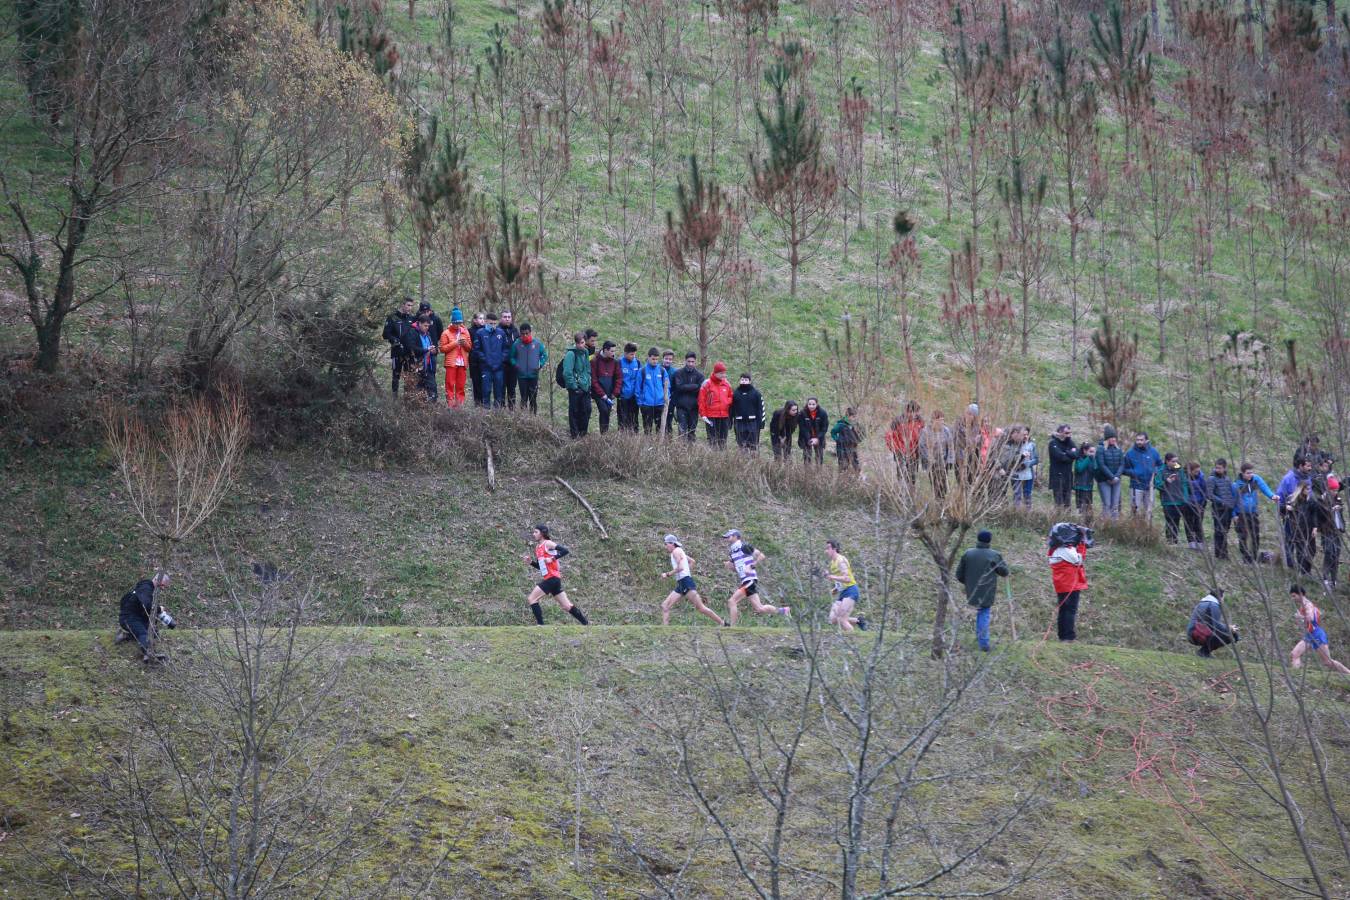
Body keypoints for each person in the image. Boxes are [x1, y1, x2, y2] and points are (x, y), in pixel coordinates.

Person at [954, 529, 1009, 652]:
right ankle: (983, 644)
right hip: (987, 591)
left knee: (978, 613)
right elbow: (1004, 572)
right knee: (983, 614)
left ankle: (965, 639)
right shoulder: (994, 554)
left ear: (977, 539)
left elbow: (958, 575)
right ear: (990, 540)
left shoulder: (968, 553)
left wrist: (969, 584)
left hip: (971, 591)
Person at [522, 525, 589, 625]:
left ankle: (540, 625)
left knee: (532, 598)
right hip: (552, 579)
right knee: (567, 606)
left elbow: (565, 550)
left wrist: (552, 558)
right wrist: (531, 562)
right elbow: (541, 567)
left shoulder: (547, 543)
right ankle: (586, 624)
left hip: (552, 578)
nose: (533, 534)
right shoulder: (537, 548)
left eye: (536, 532)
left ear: (542, 533)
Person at [722, 529, 790, 625]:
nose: (726, 538)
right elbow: (737, 569)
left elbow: (761, 556)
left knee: (732, 601)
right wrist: (730, 566)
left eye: (729, 536)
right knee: (759, 608)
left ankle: (732, 627)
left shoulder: (744, 546)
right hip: (745, 580)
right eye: (726, 537)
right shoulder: (732, 552)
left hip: (750, 580)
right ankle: (784, 610)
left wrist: (752, 566)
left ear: (736, 536)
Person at [660, 534, 725, 626]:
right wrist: (686, 573)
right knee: (665, 605)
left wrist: (667, 574)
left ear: (672, 544)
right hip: (682, 582)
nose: (665, 546)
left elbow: (681, 567)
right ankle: (665, 630)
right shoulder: (680, 551)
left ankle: (723, 623)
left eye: (666, 544)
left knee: (701, 608)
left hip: (686, 583)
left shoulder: (675, 552)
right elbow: (692, 561)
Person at [1290, 584, 1350, 675]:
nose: (1293, 598)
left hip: (1317, 634)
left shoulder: (1308, 605)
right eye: (1292, 596)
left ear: (1301, 594)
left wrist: (1300, 616)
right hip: (1309, 635)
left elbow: (1310, 617)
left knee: (1328, 662)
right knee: (1295, 654)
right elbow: (1306, 622)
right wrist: (1300, 620)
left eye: (1294, 596)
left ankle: (1348, 673)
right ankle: (1295, 676)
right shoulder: (1302, 606)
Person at [116, 573, 173, 663]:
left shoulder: (146, 588)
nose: (162, 588)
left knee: (154, 633)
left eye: (164, 587)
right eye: (162, 585)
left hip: (135, 617)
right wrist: (159, 609)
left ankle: (124, 636)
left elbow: (143, 607)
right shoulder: (146, 589)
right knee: (143, 634)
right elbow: (147, 606)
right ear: (157, 580)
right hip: (129, 618)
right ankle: (149, 653)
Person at [1048, 521, 1089, 642]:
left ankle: (1062, 636)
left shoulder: (1054, 550)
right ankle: (1068, 637)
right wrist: (1082, 543)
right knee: (1070, 611)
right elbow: (1079, 560)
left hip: (1061, 584)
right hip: (1070, 584)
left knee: (1063, 610)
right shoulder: (1066, 551)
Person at [1307, 457, 1344, 590]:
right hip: (1327, 531)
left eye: (1336, 490)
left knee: (1336, 554)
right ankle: (1325, 578)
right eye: (1333, 490)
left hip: (1337, 531)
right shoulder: (1321, 501)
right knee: (1329, 553)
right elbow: (1320, 514)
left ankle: (1334, 579)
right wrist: (1331, 510)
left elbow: (1340, 514)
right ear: (1328, 490)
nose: (1335, 492)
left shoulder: (1338, 499)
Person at [1233, 462, 1278, 564]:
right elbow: (1232, 501)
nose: (1250, 475)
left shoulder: (1256, 479)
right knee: (1243, 536)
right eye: (1248, 473)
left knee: (1255, 535)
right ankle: (1245, 558)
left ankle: (1253, 556)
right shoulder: (1236, 485)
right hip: (1241, 514)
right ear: (1242, 473)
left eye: (1252, 472)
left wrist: (1272, 496)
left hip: (1253, 513)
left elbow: (1264, 487)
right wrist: (1234, 515)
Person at [1278, 456, 1316, 574]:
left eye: (1311, 465)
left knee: (1303, 543)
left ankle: (1302, 567)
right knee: (1290, 540)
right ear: (1300, 466)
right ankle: (1289, 565)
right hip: (1291, 516)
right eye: (1308, 466)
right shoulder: (1288, 479)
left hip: (1305, 518)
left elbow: (1309, 497)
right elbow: (1280, 496)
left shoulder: (1308, 479)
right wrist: (1284, 510)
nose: (1310, 468)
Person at [824, 540, 866, 632]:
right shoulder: (832, 563)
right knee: (832, 619)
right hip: (843, 592)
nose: (826, 551)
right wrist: (835, 589)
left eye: (828, 548)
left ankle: (853, 641)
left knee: (841, 619)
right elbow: (839, 580)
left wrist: (831, 576)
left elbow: (847, 579)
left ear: (834, 549)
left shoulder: (841, 560)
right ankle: (858, 621)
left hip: (851, 590)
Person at [437, 307, 473, 407]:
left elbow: (469, 348)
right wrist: (455, 343)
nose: (458, 325)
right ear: (452, 322)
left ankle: (459, 407)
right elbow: (442, 349)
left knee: (461, 385)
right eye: (456, 323)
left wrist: (465, 343)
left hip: (463, 362)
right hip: (451, 363)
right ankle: (450, 406)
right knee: (449, 384)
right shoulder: (446, 333)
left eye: (460, 323)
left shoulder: (465, 332)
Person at [508, 322, 547, 414]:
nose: (525, 335)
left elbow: (544, 355)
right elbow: (511, 357)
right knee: (523, 398)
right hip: (522, 376)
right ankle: (524, 418)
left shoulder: (537, 344)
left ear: (530, 332)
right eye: (522, 334)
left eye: (527, 333)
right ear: (520, 334)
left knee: (533, 398)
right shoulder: (516, 344)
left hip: (533, 375)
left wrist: (540, 364)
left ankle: (533, 418)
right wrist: (515, 364)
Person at [1187, 590, 1239, 658]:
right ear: (1220, 597)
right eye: (1223, 597)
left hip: (1191, 633)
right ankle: (1203, 652)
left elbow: (1210, 624)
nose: (1223, 600)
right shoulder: (1214, 605)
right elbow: (1216, 626)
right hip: (1197, 634)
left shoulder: (1203, 603)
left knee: (1227, 632)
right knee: (1231, 635)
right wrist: (1230, 629)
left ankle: (1203, 652)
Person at [381, 296, 416, 395]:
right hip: (396, 352)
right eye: (408, 305)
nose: (410, 308)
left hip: (409, 353)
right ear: (402, 305)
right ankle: (394, 398)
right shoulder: (392, 317)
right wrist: (394, 340)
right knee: (396, 375)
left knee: (408, 376)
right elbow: (385, 334)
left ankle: (407, 398)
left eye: (411, 306)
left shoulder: (411, 318)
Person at [1154, 453, 1191, 545]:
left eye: (1176, 461)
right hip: (1168, 501)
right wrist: (1166, 482)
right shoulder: (1161, 471)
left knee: (1177, 521)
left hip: (1179, 501)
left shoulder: (1180, 470)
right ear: (1167, 461)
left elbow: (1185, 483)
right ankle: (1169, 541)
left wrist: (1185, 498)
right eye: (1173, 461)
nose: (1175, 463)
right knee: (1169, 521)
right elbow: (1157, 485)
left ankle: (1175, 540)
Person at [1126, 432, 1163, 520]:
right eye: (1137, 440)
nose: (1139, 442)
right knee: (1136, 510)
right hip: (1136, 486)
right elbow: (1124, 469)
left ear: (1146, 440)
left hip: (1150, 486)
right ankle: (1136, 530)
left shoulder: (1154, 452)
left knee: (1149, 511)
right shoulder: (1130, 453)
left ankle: (1148, 531)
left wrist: (1156, 470)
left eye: (1141, 440)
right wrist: (1134, 472)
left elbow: (1161, 465)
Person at [475, 312, 510, 407]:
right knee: (486, 392)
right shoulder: (480, 333)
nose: (493, 326)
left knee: (498, 393)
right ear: (486, 322)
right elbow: (477, 350)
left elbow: (506, 349)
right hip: (486, 368)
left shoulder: (501, 333)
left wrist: (500, 360)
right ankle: (486, 414)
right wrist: (485, 360)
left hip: (499, 368)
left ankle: (497, 415)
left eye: (495, 324)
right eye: (491, 323)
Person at [563, 331, 593, 438]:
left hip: (585, 387)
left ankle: (583, 434)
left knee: (587, 410)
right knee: (574, 412)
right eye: (579, 343)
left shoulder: (585, 352)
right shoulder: (571, 354)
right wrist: (574, 386)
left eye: (583, 342)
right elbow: (567, 372)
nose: (581, 345)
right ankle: (575, 435)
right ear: (576, 343)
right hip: (575, 389)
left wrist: (589, 382)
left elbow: (587, 369)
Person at [1206, 459, 1238, 560]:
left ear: (1225, 468)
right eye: (1216, 467)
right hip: (1218, 509)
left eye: (1219, 468)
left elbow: (1230, 494)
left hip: (1228, 509)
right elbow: (1209, 494)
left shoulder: (1227, 479)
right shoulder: (1211, 479)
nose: (1217, 469)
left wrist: (1231, 505)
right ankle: (1219, 554)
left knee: (1225, 531)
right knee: (1219, 531)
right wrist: (1221, 501)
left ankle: (1224, 553)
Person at [698, 361, 734, 448]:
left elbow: (731, 397)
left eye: (724, 373)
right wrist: (703, 414)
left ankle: (722, 459)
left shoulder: (727, 384)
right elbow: (701, 400)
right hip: (711, 416)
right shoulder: (707, 383)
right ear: (715, 373)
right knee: (712, 439)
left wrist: (726, 402)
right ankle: (713, 458)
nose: (723, 375)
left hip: (724, 416)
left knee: (723, 440)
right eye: (721, 373)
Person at [919, 409, 953, 496]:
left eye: (942, 420)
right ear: (933, 420)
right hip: (932, 463)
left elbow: (950, 446)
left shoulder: (946, 431)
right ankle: (938, 502)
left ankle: (943, 501)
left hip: (943, 462)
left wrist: (950, 460)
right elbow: (922, 447)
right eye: (939, 420)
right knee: (935, 484)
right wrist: (930, 459)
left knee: (944, 485)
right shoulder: (925, 431)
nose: (941, 422)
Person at [636, 347, 671, 434]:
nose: (655, 361)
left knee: (660, 429)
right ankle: (647, 446)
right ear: (648, 358)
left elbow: (667, 387)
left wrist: (666, 400)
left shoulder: (662, 371)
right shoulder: (642, 371)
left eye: (656, 359)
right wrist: (640, 403)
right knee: (647, 429)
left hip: (660, 404)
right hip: (646, 405)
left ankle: (659, 446)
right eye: (653, 359)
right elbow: (638, 388)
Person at [886, 401, 923, 482]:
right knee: (901, 474)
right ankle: (901, 491)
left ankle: (911, 491)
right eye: (911, 412)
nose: (913, 415)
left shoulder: (920, 421)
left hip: (914, 453)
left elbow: (922, 436)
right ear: (907, 411)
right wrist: (897, 450)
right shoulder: (898, 421)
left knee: (912, 476)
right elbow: (890, 437)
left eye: (916, 412)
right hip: (900, 452)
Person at [591, 340, 623, 434]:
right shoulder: (595, 360)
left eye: (614, 351)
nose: (613, 353)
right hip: (598, 393)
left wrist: (615, 393)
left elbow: (619, 378)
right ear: (605, 350)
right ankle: (603, 433)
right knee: (604, 410)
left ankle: (604, 434)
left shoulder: (615, 362)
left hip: (610, 393)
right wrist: (602, 394)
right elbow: (594, 380)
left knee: (607, 413)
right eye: (612, 351)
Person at [670, 353, 704, 442]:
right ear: (685, 361)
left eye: (692, 361)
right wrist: (695, 386)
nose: (690, 364)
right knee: (682, 431)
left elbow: (700, 389)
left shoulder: (699, 375)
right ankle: (681, 452)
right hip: (681, 407)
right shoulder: (678, 373)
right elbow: (679, 387)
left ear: (695, 362)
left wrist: (686, 387)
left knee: (692, 431)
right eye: (689, 361)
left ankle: (690, 452)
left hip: (694, 407)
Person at [1095, 425, 1126, 519]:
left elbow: (1122, 464)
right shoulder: (1100, 449)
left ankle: (1114, 525)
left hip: (1116, 481)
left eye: (1114, 437)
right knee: (1107, 504)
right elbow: (1101, 465)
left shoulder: (1119, 449)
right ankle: (1106, 524)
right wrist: (1111, 477)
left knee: (1115, 505)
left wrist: (1116, 477)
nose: (1113, 439)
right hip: (1104, 480)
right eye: (1111, 437)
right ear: (1107, 438)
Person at [730, 373, 764, 453]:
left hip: (752, 422)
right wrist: (730, 421)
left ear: (750, 381)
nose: (744, 381)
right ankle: (742, 462)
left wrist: (761, 423)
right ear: (739, 381)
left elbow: (761, 409)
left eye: (746, 380)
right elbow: (731, 408)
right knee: (741, 445)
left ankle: (753, 462)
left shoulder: (756, 394)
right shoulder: (735, 394)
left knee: (753, 445)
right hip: (739, 422)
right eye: (742, 379)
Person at [1047, 425, 1079, 510]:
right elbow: (1060, 457)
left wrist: (1066, 453)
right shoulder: (1053, 443)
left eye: (1070, 433)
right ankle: (1058, 520)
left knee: (1067, 503)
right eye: (1067, 433)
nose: (1069, 435)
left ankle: (1067, 520)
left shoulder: (1070, 442)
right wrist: (1069, 454)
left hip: (1068, 476)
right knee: (1059, 503)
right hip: (1057, 475)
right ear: (1060, 432)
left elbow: (1076, 454)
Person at [1009, 426, 1038, 510]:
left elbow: (1036, 459)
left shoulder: (1032, 445)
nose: (1025, 436)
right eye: (1023, 434)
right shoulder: (1014, 445)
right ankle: (1017, 512)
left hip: (1028, 474)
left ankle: (1028, 513)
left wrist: (1027, 464)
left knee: (1027, 494)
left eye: (1027, 434)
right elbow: (1010, 460)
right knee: (1017, 494)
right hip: (1016, 474)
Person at [411, 316, 437, 400]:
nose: (427, 328)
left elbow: (432, 348)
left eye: (428, 326)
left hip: (429, 367)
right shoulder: (413, 332)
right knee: (418, 391)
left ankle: (432, 410)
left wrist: (434, 350)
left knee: (433, 391)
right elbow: (412, 348)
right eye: (425, 326)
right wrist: (426, 350)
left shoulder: (428, 335)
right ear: (419, 323)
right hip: (417, 367)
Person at [498, 310, 521, 408]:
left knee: (512, 389)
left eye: (509, 317)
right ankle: (501, 411)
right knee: (501, 388)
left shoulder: (515, 331)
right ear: (501, 318)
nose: (507, 319)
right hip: (501, 365)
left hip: (513, 365)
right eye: (505, 317)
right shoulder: (497, 330)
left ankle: (512, 411)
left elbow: (519, 346)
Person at [617, 343, 642, 432]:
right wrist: (618, 392)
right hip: (623, 396)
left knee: (634, 418)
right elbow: (616, 379)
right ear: (625, 353)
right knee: (623, 418)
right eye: (631, 354)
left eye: (634, 354)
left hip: (634, 396)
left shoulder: (638, 363)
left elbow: (640, 379)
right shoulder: (619, 362)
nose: (633, 356)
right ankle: (623, 436)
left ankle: (634, 437)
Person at [798, 397, 829, 465]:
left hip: (819, 437)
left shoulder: (823, 413)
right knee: (807, 457)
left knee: (819, 456)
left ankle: (818, 472)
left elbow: (824, 428)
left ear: (817, 404)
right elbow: (802, 428)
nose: (811, 406)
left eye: (813, 404)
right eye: (809, 404)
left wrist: (817, 438)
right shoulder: (802, 413)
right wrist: (809, 438)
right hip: (806, 437)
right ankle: (808, 472)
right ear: (807, 404)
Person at [1184, 461, 1207, 550]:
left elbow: (1204, 492)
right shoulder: (1184, 478)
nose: (1198, 473)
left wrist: (1203, 504)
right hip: (1188, 504)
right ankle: (1191, 542)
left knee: (1198, 523)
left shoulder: (1201, 478)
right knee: (1188, 523)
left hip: (1199, 503)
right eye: (1196, 471)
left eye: (1198, 471)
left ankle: (1199, 542)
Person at [831, 407, 862, 471]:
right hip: (842, 447)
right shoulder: (841, 425)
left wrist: (858, 440)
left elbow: (860, 434)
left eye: (855, 417)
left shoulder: (855, 425)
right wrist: (837, 439)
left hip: (852, 447)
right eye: (853, 417)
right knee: (843, 464)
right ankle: (842, 477)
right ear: (848, 416)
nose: (854, 419)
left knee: (856, 464)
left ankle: (856, 477)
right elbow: (833, 432)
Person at [1073, 443, 1096, 519]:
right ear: (1084, 450)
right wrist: (1088, 458)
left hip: (1089, 486)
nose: (1092, 453)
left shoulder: (1092, 459)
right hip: (1080, 486)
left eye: (1093, 451)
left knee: (1088, 506)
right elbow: (1079, 469)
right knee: (1080, 508)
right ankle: (1079, 521)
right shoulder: (1079, 458)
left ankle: (1088, 522)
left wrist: (1093, 460)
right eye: (1090, 451)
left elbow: (1095, 469)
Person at [468, 311, 487, 406]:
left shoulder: (487, 331)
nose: (482, 320)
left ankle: (485, 403)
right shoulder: (470, 331)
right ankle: (477, 404)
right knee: (476, 383)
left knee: (485, 383)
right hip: (474, 361)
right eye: (480, 318)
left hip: (485, 361)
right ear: (475, 320)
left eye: (483, 318)